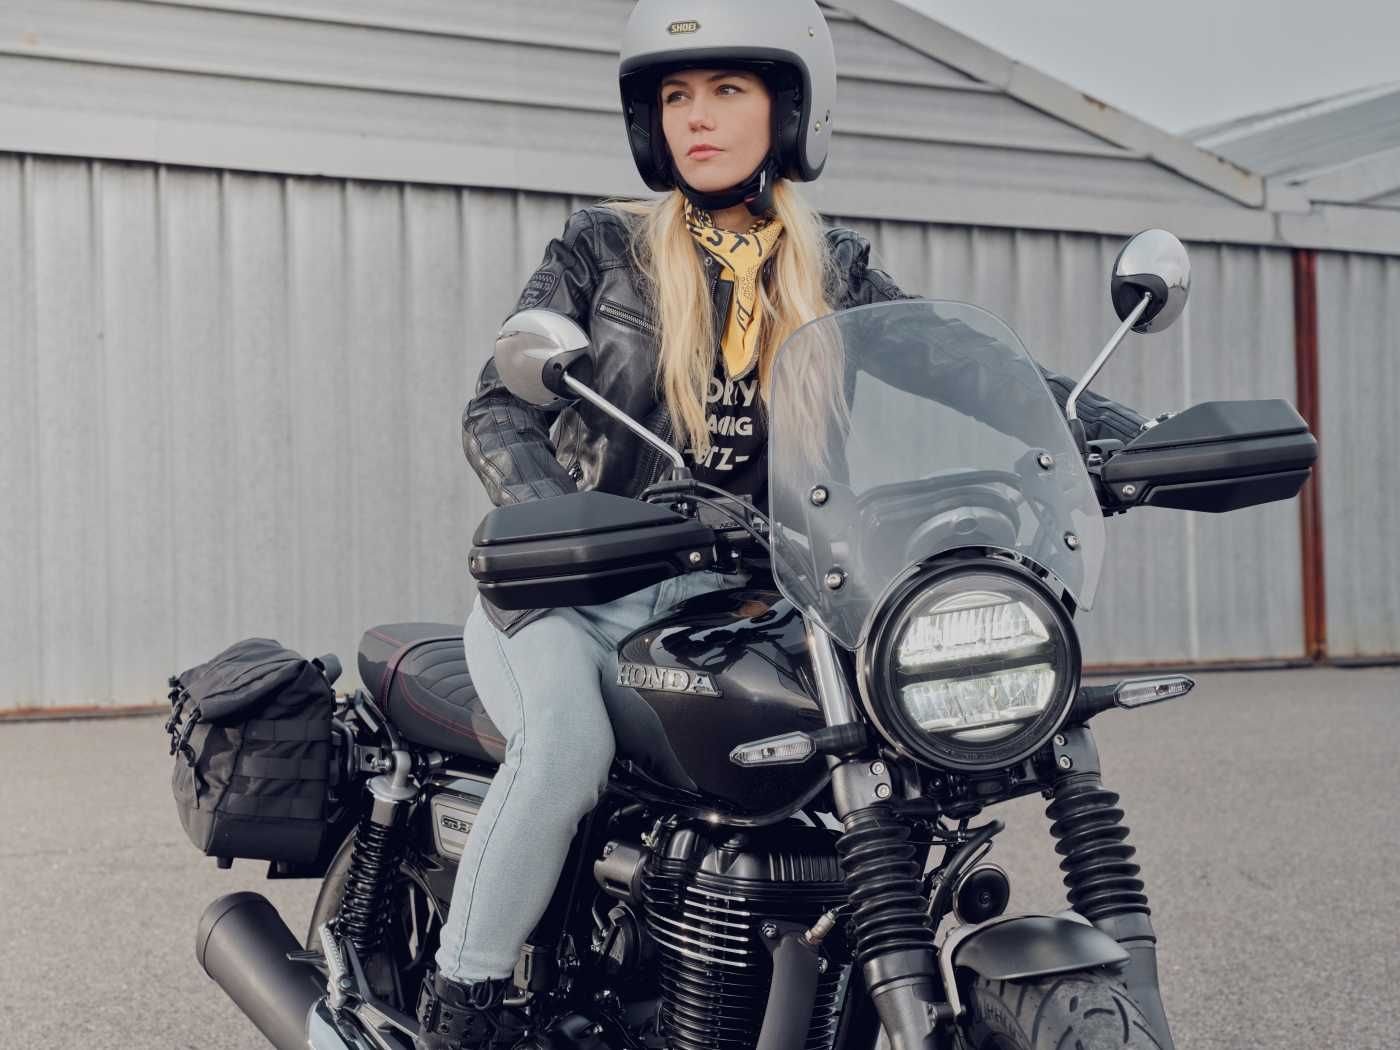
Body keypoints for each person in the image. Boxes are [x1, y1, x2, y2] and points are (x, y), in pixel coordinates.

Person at [415, 2, 1146, 1046]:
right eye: (676, 96)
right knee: (565, 748)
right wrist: (562, 527)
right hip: (576, 593)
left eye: (726, 90)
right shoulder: (599, 247)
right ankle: (465, 998)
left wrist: (1117, 433)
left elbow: (963, 368)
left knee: (883, 743)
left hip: (753, 603)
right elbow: (498, 406)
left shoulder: (833, 268)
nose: (696, 117)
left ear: (791, 112)